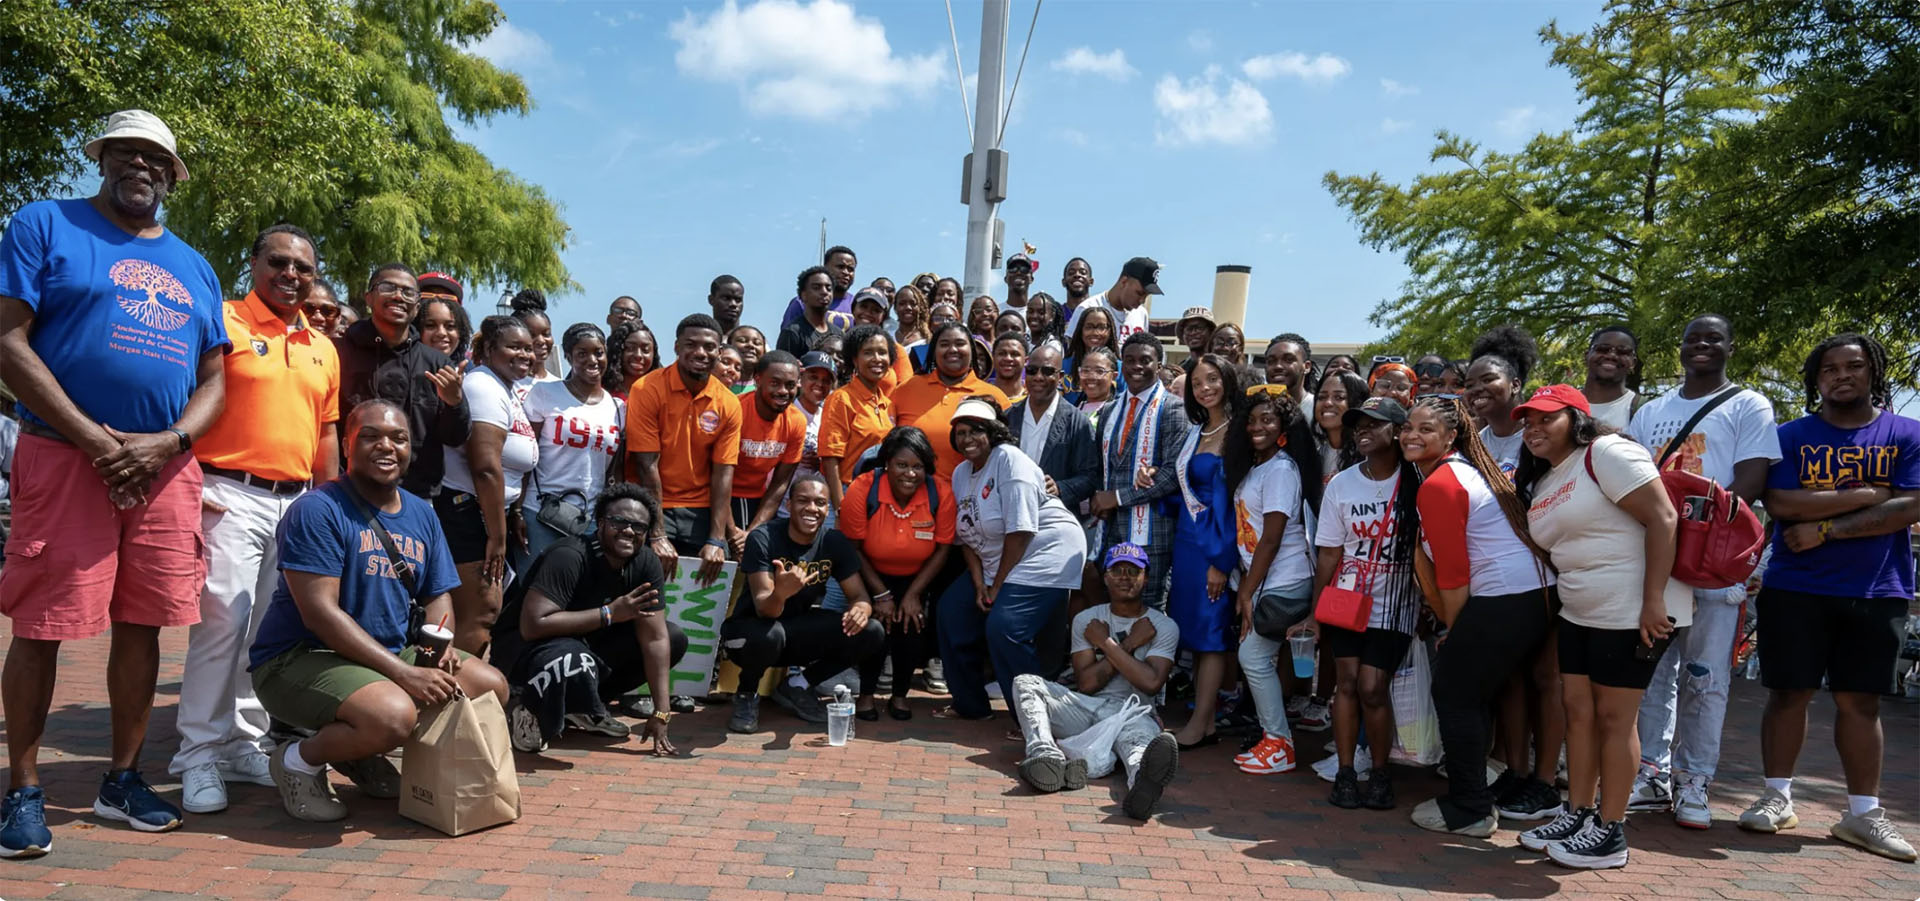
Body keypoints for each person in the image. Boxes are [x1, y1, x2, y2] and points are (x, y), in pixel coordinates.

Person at [0, 110, 228, 853]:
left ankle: (121, 779)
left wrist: (168, 442)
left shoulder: (194, 265)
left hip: (163, 470)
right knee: (42, 623)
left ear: (171, 175)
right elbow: (7, 341)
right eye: (126, 152)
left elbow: (216, 380)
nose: (142, 165)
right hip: (64, 457)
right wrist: (93, 439)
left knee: (145, 621)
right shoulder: (44, 224)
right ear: (102, 159)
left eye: (156, 157)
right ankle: (23, 788)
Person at [247, 400, 507, 824]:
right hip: (298, 660)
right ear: (348, 445)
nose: (386, 446)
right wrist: (405, 674)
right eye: (371, 436)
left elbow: (438, 595)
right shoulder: (318, 509)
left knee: (487, 685)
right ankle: (297, 760)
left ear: (411, 449)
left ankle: (358, 749)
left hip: (381, 656)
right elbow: (320, 615)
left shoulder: (421, 512)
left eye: (398, 438)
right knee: (392, 715)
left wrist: (437, 651)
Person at [170, 225, 342, 815]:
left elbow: (326, 432)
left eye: (304, 267)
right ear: (253, 263)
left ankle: (244, 741)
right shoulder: (221, 320)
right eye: (279, 262)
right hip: (228, 491)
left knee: (267, 631)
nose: (291, 275)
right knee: (221, 625)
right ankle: (197, 754)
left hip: (296, 503)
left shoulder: (322, 345)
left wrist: (332, 503)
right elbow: (184, 397)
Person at [1741, 333, 1917, 861]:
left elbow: (1909, 507)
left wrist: (1827, 531)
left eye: (1854, 366)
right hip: (1796, 587)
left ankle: (1863, 815)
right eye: (1829, 369)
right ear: (1816, 380)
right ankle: (1777, 797)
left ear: (1872, 372)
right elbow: (1780, 502)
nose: (1842, 375)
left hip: (1877, 586)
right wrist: (1865, 496)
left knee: (1859, 700)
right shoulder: (1790, 436)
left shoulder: (1905, 434)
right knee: (1788, 692)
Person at [1512, 385, 1686, 869]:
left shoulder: (1606, 452)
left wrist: (1653, 601)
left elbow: (1663, 517)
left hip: (1629, 610)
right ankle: (1578, 813)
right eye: (1528, 421)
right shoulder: (1546, 480)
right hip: (1578, 612)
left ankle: (1611, 832)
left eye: (1547, 418)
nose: (1534, 429)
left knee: (1615, 719)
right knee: (1579, 715)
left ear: (1577, 418)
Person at [1625, 313, 1780, 829]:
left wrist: (1701, 538)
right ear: (1681, 347)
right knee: (1652, 675)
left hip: (1714, 564)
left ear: (1729, 347)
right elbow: (1633, 474)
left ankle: (1695, 781)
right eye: (1693, 338)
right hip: (1657, 559)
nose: (1702, 345)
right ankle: (1650, 772)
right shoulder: (1652, 410)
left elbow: (1751, 479)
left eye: (1714, 338)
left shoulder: (1748, 404)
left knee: (1706, 678)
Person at [1403, 396, 1556, 838]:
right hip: (1525, 595)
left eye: (1426, 428)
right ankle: (1486, 791)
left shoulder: (1441, 484)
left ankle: (1470, 806)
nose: (1412, 434)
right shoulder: (1461, 471)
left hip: (1508, 597)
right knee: (1473, 688)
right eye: (1409, 426)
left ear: (1451, 436)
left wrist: (1455, 628)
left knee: (1453, 691)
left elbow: (1452, 574)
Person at [493, 483, 689, 756]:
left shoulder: (645, 562)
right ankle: (526, 708)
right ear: (600, 523)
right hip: (525, 650)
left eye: (639, 527)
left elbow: (655, 638)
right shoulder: (569, 556)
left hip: (581, 645)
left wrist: (662, 712)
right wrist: (610, 614)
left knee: (674, 638)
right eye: (619, 522)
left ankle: (581, 707)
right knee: (573, 659)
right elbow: (533, 625)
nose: (629, 531)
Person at [1463, 326, 1564, 823]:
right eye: (1471, 382)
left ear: (1517, 386)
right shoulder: (1472, 443)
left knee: (1547, 677)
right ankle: (1516, 770)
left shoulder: (1540, 437)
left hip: (1550, 575)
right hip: (1499, 581)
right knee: (1510, 680)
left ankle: (1546, 782)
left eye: (1490, 381)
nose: (1478, 390)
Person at [1301, 397, 1420, 803]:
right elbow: (1330, 552)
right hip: (1347, 601)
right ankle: (1348, 773)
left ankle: (1382, 774)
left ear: (1397, 431)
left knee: (1373, 686)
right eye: (1358, 425)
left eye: (1375, 424)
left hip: (1397, 603)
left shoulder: (1417, 479)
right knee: (1347, 684)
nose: (1363, 431)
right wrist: (1317, 612)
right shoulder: (1342, 484)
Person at [939, 399, 1089, 719]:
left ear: (992, 433)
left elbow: (1021, 531)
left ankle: (1035, 717)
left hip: (1046, 550)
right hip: (996, 559)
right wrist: (981, 584)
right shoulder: (961, 473)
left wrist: (996, 587)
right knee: (951, 611)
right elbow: (965, 536)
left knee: (1006, 627)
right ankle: (970, 705)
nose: (967, 439)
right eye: (961, 433)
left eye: (976, 431)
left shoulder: (1009, 459)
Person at [1010, 543, 1182, 820]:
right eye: (1118, 571)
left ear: (1146, 578)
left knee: (1138, 750)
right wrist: (1126, 644)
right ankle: (1046, 757)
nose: (1125, 577)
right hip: (1088, 707)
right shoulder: (1087, 620)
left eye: (1133, 571)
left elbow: (1151, 683)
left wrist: (1106, 644)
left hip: (1135, 711)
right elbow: (1088, 683)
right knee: (1026, 683)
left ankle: (1142, 786)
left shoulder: (1163, 625)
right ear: (1105, 577)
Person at [721, 474, 885, 732]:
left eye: (820, 503)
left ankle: (798, 685)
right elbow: (765, 609)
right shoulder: (764, 538)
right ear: (788, 505)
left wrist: (860, 611)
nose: (811, 509)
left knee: (872, 631)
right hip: (749, 634)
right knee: (770, 634)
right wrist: (782, 592)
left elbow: (860, 597)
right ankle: (746, 694)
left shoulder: (834, 541)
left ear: (828, 509)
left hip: (794, 631)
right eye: (803, 501)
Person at [438, 315, 540, 653]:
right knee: (479, 611)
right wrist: (497, 538)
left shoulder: (505, 387)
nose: (525, 354)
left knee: (487, 610)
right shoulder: (483, 385)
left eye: (528, 348)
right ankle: (464, 696)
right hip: (466, 511)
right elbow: (484, 467)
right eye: (514, 347)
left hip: (489, 513)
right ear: (489, 349)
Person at [838, 427, 955, 721]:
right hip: (869, 572)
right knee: (875, 627)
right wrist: (880, 594)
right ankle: (866, 695)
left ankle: (900, 696)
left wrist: (914, 594)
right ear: (886, 463)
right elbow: (851, 548)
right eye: (902, 465)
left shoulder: (940, 492)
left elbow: (943, 549)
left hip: (919, 576)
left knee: (911, 626)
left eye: (918, 467)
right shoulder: (862, 489)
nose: (910, 474)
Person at [334, 263, 470, 499]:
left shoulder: (437, 364)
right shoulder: (337, 353)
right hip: (347, 492)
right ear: (369, 297)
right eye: (388, 288)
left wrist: (454, 403)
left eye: (408, 292)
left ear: (417, 307)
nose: (398, 296)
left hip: (416, 497)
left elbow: (455, 437)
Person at [1165, 356, 1246, 748]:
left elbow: (1231, 502)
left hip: (1214, 545)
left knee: (1212, 634)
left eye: (1213, 379)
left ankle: (1199, 724)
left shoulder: (1238, 433)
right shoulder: (1197, 430)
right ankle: (1206, 718)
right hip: (1186, 543)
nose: (1205, 388)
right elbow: (1186, 489)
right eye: (1197, 382)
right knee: (1195, 632)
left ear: (1228, 380)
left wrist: (1221, 561)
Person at [627, 314, 741, 586]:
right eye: (691, 344)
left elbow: (723, 473)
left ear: (719, 351)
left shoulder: (728, 402)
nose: (700, 352)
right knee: (647, 587)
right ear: (676, 347)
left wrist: (716, 539)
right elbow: (647, 466)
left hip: (700, 507)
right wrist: (657, 535)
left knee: (702, 590)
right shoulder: (647, 388)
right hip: (653, 503)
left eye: (709, 346)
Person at [1089, 333, 1192, 613]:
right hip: (1111, 530)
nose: (1136, 366)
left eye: (1145, 360)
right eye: (1130, 360)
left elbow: (1172, 474)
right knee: (1113, 609)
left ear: (1159, 365)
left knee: (1149, 608)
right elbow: (1104, 468)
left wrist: (1118, 497)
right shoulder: (1110, 411)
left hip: (1152, 530)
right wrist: (1101, 500)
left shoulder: (1175, 409)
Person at [523, 323, 624, 559]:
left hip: (588, 519)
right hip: (541, 511)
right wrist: (517, 511)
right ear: (568, 357)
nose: (592, 360)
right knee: (536, 588)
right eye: (582, 353)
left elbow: (614, 470)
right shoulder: (544, 394)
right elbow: (527, 454)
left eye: (598, 352)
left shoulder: (618, 408)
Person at [890, 322, 1010, 479]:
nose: (952, 349)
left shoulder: (995, 396)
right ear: (933, 351)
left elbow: (1008, 452)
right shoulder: (906, 389)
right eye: (944, 344)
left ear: (972, 351)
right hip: (913, 495)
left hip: (973, 497)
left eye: (960, 344)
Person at [728, 351, 806, 552]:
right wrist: (732, 531)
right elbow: (715, 474)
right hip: (721, 496)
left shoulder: (796, 421)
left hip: (758, 500)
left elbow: (780, 483)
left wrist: (753, 531)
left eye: (790, 385)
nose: (783, 391)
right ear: (758, 380)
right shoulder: (735, 411)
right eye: (775, 383)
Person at [1009, 343, 1101, 513]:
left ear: (1060, 377)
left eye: (1047, 371)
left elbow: (1090, 477)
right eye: (1032, 370)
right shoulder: (1008, 417)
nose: (1038, 377)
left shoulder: (1078, 423)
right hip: (1012, 514)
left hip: (1056, 518)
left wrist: (1060, 488)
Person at [817, 323, 897, 507]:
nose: (877, 359)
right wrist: (839, 507)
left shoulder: (887, 403)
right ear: (854, 359)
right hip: (845, 493)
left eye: (882, 352)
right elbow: (830, 458)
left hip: (877, 495)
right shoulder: (841, 399)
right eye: (868, 352)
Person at [1064, 256, 1160, 344]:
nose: (1142, 300)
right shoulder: (1088, 308)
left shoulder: (1141, 314)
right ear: (1124, 281)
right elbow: (1072, 353)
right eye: (1139, 293)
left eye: (1146, 296)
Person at [787, 352, 837, 505]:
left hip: (815, 505)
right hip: (783, 503)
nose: (820, 384)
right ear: (800, 379)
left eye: (826, 380)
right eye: (813, 377)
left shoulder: (830, 416)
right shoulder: (785, 412)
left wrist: (820, 463)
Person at [847, 288, 915, 388]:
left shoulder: (896, 350)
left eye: (876, 310)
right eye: (863, 307)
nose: (868, 312)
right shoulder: (839, 344)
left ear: (883, 316)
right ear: (853, 309)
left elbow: (907, 389)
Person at [780, 246, 858, 330]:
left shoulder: (858, 306)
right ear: (825, 267)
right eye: (840, 267)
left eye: (850, 269)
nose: (846, 272)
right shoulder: (802, 303)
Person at [777, 266, 846, 357]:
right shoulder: (792, 333)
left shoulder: (838, 333)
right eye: (817, 288)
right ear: (803, 295)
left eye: (828, 288)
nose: (824, 292)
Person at [1581, 326, 1640, 431]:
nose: (1611, 355)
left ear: (1633, 362)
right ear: (1587, 356)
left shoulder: (1643, 410)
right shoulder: (1564, 405)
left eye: (1623, 352)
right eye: (1603, 349)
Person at [1264, 333, 1317, 420]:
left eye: (1288, 360)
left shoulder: (1317, 409)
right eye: (1271, 361)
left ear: (1307, 367)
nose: (1278, 366)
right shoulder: (1256, 410)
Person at [1065, 305, 1119, 385]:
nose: (1095, 333)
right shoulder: (1065, 365)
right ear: (1080, 330)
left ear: (1110, 331)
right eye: (1089, 327)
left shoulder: (1120, 368)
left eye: (1101, 327)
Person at [607, 321, 660, 400]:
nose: (638, 355)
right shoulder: (601, 392)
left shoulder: (661, 393)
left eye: (645, 350)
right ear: (617, 350)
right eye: (631, 348)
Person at [1068, 346, 1119, 422]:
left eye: (1099, 371)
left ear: (1113, 376)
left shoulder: (1117, 413)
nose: (1091, 377)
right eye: (1086, 371)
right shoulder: (1074, 410)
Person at [416, 294, 471, 363]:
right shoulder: (402, 368)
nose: (441, 333)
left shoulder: (468, 371)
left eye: (450, 326)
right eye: (430, 325)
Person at [892, 283, 931, 363]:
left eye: (913, 304)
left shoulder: (927, 339)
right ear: (895, 308)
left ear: (920, 308)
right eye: (902, 303)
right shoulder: (887, 336)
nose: (908, 308)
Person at [989, 332, 1029, 405]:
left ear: (1025, 361)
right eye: (1002, 353)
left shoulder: (1032, 399)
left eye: (1015, 354)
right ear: (993, 358)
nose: (1008, 358)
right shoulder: (981, 394)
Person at [1002, 253, 1036, 320]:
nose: (1018, 273)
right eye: (1013, 269)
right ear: (1006, 279)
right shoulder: (996, 313)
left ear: (1031, 279)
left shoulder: (1036, 315)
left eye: (1024, 269)